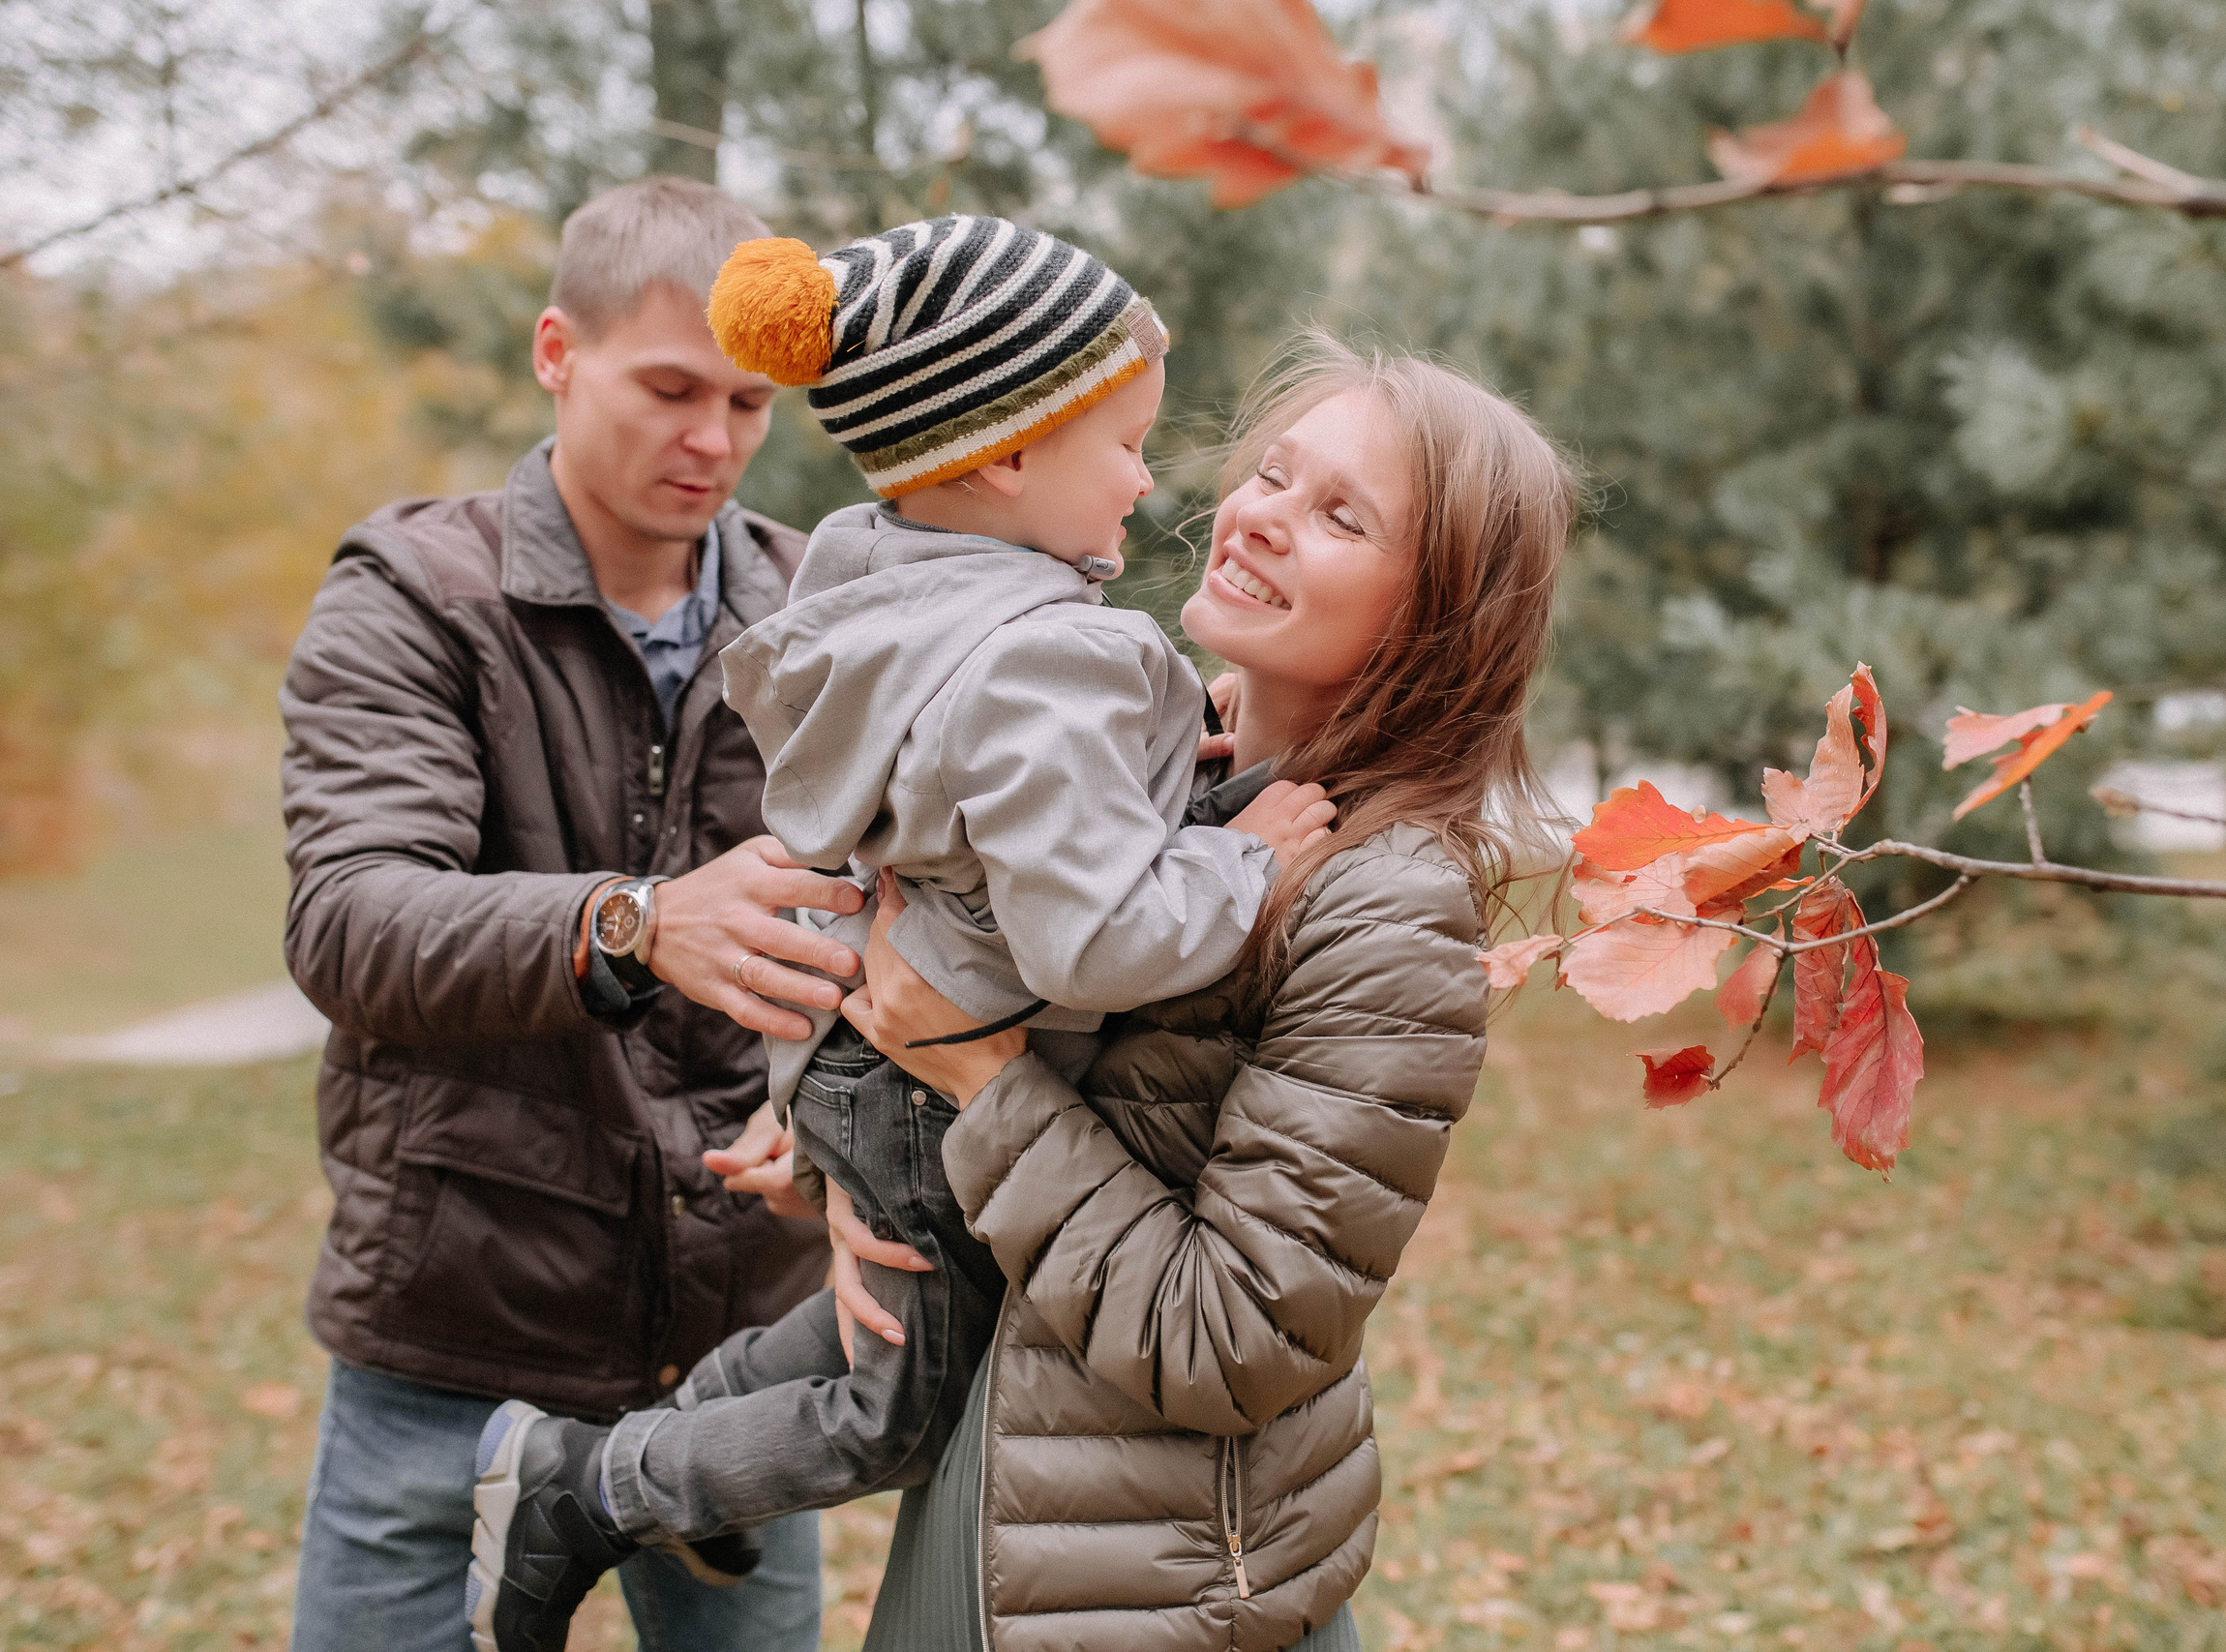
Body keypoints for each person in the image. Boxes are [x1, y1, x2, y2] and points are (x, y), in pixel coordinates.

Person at [464, 215, 1340, 1652]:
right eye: (1124, 440)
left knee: (879, 1322)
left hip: (874, 1046)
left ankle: (700, 1464)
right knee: (899, 1409)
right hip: (944, 1065)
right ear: (1005, 455)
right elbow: (1091, 941)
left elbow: (974, 810)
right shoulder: (1062, 647)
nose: (1147, 474)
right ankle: (590, 1486)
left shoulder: (876, 586)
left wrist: (1171, 755)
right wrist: (1239, 865)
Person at [824, 332, 1575, 1651]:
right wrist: (857, 1186)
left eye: (1343, 516)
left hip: (1156, 1588)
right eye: (1275, 475)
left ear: (1439, 613)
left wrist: (979, 1081)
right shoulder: (1121, 772)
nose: (1266, 520)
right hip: (997, 1497)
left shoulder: (1388, 906)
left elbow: (1233, 1338)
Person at [278, 176, 862, 1652]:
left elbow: (900, 916)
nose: (710, 442)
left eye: (746, 404)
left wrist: (838, 1110)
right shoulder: (412, 596)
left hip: (742, 1353)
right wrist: (634, 923)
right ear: (557, 351)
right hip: (457, 1326)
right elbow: (352, 922)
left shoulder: (825, 612)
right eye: (669, 389)